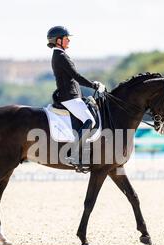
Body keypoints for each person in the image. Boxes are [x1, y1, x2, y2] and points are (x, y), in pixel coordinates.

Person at [47, 26, 106, 171]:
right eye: (66, 38)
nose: (68, 41)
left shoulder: (60, 55)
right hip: (69, 97)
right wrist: (94, 85)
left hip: (72, 95)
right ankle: (74, 154)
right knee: (90, 120)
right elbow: (76, 77)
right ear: (58, 40)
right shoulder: (60, 56)